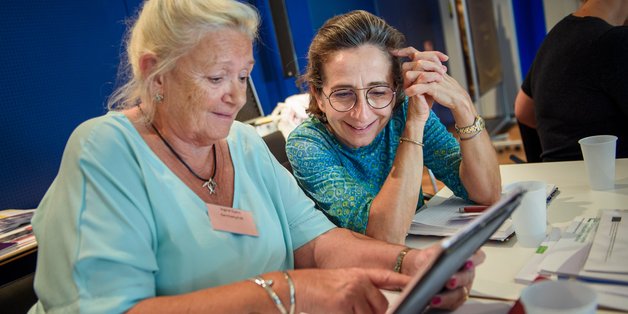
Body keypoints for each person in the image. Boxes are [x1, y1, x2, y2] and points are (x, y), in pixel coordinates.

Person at [28, 1, 484, 313]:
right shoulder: (105, 151)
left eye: (243, 76)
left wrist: (410, 264)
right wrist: (290, 290)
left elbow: (319, 244)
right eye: (216, 77)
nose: (235, 97)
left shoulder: (243, 145)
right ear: (156, 74)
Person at [285, 10, 501, 244]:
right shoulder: (307, 144)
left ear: (396, 89)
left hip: (416, 255)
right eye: (343, 94)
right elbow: (385, 234)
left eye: (378, 92)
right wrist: (414, 127)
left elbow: (486, 193)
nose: (362, 114)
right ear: (318, 95)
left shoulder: (404, 111)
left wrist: (463, 106)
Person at [514, 0, 628, 161]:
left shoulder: (557, 34)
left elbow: (522, 110)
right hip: (606, 179)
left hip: (559, 178)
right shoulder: (617, 42)